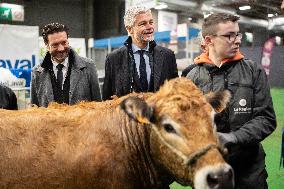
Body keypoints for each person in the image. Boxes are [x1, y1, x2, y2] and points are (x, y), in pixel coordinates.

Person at [185, 13, 276, 189]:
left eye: (238, 34)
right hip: (210, 174)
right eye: (229, 35)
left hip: (250, 174)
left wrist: (234, 137)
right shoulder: (191, 78)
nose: (237, 40)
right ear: (209, 40)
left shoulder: (253, 71)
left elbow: (266, 118)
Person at [102, 6, 178, 100]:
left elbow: (176, 93)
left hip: (159, 113)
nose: (149, 27)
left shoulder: (167, 55)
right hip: (127, 114)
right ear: (129, 29)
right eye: (143, 24)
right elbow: (107, 99)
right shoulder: (113, 59)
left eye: (151, 22)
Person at [31, 23, 101, 107]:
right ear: (47, 46)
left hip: (81, 120)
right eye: (55, 45)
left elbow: (98, 105)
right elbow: (34, 109)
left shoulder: (88, 67)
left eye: (64, 43)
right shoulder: (37, 73)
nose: (61, 48)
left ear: (68, 41)